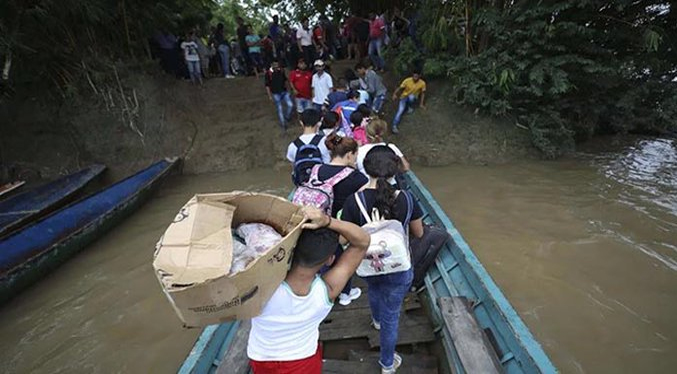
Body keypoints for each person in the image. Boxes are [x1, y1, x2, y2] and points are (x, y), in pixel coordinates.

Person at [247, 206, 370, 374]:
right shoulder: (329, 290)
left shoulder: (262, 285)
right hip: (303, 359)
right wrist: (328, 221)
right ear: (330, 260)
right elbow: (362, 242)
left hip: (261, 358)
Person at [341, 149, 424, 374]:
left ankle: (376, 320)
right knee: (392, 316)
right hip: (398, 267)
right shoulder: (406, 198)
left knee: (374, 289)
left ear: (365, 168)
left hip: (368, 263)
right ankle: (387, 364)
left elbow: (343, 237)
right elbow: (418, 232)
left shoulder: (353, 201)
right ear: (395, 169)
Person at [265, 59, 293, 131]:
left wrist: (289, 90)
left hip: (284, 91)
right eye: (275, 65)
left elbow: (285, 80)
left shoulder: (281, 71)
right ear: (272, 65)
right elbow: (267, 85)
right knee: (280, 109)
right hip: (275, 93)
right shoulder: (268, 73)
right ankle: (283, 124)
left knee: (290, 105)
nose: (276, 66)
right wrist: (270, 96)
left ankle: (287, 117)